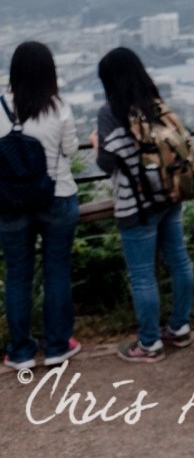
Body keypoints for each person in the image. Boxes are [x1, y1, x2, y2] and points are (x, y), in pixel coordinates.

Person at [93, 47, 194, 363]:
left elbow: (107, 163)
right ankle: (179, 328)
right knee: (178, 261)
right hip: (169, 197)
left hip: (136, 205)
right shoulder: (157, 106)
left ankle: (149, 344)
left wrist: (98, 143)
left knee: (142, 274)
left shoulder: (111, 113)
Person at [0, 42, 80, 370]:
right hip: (56, 196)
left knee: (18, 275)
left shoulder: (0, 107)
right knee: (56, 271)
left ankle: (20, 351)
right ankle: (57, 346)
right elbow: (71, 150)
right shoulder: (58, 107)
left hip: (9, 204)